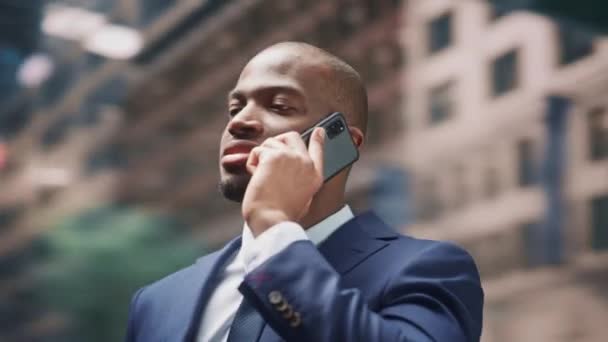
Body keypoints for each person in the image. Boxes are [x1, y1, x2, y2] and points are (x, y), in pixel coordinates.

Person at [125, 42, 484, 342]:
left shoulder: (428, 269)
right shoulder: (157, 300)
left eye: (279, 106)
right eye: (235, 108)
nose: (238, 121)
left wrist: (273, 228)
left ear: (341, 141)